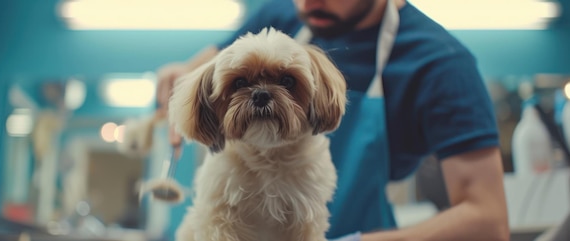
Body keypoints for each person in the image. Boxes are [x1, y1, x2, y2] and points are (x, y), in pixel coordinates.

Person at [155, 0, 510, 240]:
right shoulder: (285, 17)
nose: (309, 2)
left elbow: (488, 220)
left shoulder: (441, 65)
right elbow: (199, 75)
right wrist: (177, 77)